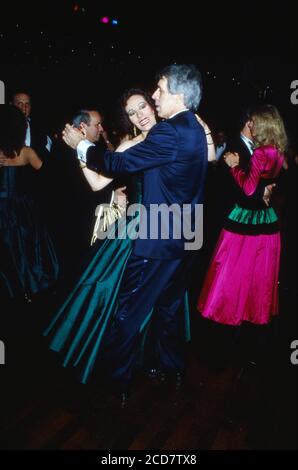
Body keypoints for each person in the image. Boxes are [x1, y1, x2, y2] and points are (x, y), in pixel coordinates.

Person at [63, 64, 208, 400]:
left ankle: (118, 382)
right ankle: (169, 367)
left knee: (130, 310)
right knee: (169, 306)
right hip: (187, 232)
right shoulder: (192, 128)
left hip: (158, 232)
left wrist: (81, 147)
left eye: (153, 96)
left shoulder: (168, 132)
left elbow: (116, 165)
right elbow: (103, 178)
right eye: (133, 111)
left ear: (177, 95)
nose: (150, 103)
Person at [197, 105, 288, 356]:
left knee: (239, 279)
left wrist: (251, 180)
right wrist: (264, 191)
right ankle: (222, 341)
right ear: (250, 122)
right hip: (235, 221)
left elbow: (252, 188)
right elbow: (236, 188)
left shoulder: (259, 151)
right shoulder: (241, 147)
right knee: (234, 280)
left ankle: (234, 340)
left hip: (245, 226)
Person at [0, 105, 59, 302]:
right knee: (27, 250)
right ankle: (29, 289)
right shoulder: (25, 152)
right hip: (22, 209)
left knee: (8, 251)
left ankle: (13, 290)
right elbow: (48, 175)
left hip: (3, 210)